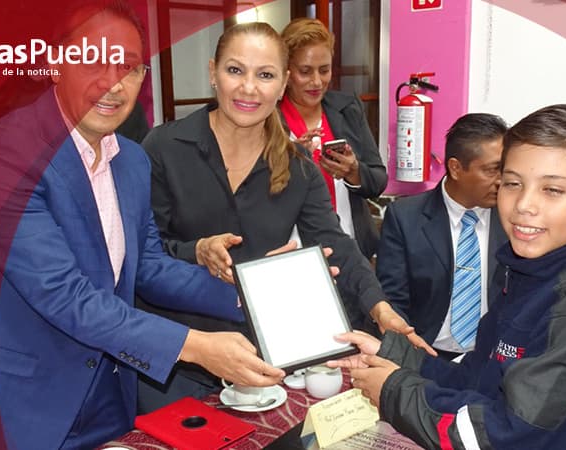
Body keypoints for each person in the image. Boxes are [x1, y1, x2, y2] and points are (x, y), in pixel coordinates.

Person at [0, 4, 283, 449]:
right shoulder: (5, 152)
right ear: (55, 63)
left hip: (108, 393)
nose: (112, 83)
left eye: (128, 67)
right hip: (17, 405)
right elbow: (63, 293)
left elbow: (150, 266)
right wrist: (194, 346)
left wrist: (254, 292)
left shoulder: (131, 160)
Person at [331, 104, 566, 449]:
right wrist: (393, 354)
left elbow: (501, 435)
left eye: (552, 190)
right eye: (512, 183)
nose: (523, 204)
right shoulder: (531, 271)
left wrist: (393, 391)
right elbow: (477, 378)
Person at [138, 22, 431, 412]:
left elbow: (336, 243)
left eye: (265, 75)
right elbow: (142, 255)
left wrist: (380, 308)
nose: (249, 88)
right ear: (213, 72)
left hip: (259, 356)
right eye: (235, 70)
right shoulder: (163, 147)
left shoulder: (299, 167)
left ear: (282, 84)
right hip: (179, 355)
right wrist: (197, 250)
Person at [376, 113, 508, 358]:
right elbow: (393, 299)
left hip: (494, 356)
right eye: (492, 170)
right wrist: (408, 354)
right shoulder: (406, 218)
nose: (502, 181)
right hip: (427, 352)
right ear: (456, 168)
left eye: (506, 169)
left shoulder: (515, 217)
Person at [279, 17, 387, 260]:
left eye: (324, 70)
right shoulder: (268, 118)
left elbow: (378, 180)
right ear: (287, 71)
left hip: (352, 247)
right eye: (305, 71)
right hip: (293, 252)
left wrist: (353, 171)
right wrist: (290, 161)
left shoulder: (346, 108)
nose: (317, 81)